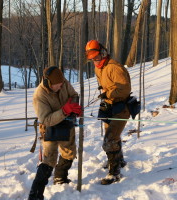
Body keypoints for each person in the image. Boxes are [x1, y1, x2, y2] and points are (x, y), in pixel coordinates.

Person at [28, 66, 82, 200]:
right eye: (57, 86)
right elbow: (46, 119)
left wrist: (73, 108)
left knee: (69, 153)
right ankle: (35, 195)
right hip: (49, 128)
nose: (60, 87)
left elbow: (74, 95)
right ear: (49, 83)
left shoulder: (63, 82)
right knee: (49, 160)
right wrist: (65, 110)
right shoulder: (39, 96)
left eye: (62, 84)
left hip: (66, 123)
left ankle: (60, 177)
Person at [85, 40, 131, 185]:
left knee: (109, 140)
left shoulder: (114, 67)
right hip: (109, 105)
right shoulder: (98, 67)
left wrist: (108, 93)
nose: (94, 60)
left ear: (102, 53)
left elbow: (125, 89)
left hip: (121, 107)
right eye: (91, 58)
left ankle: (114, 172)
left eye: (96, 57)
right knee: (111, 136)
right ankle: (119, 159)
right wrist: (104, 93)